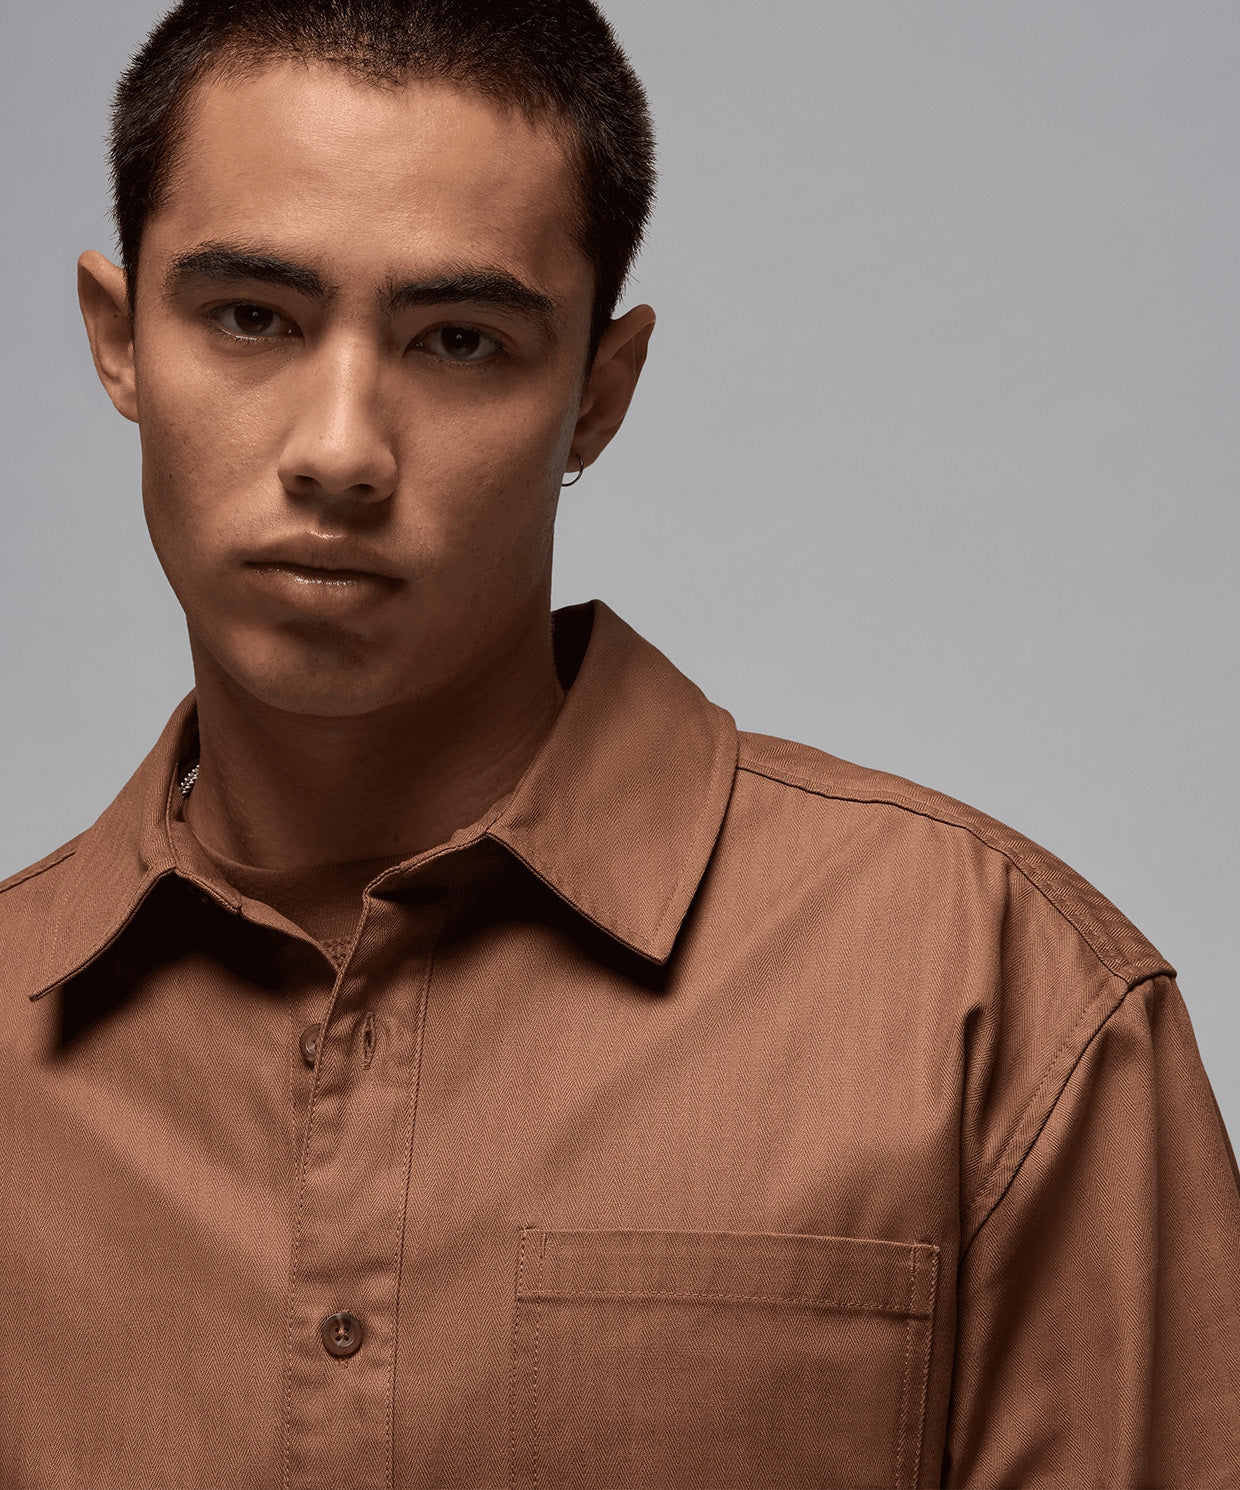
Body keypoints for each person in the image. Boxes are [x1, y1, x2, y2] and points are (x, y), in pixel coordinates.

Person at [2, 0, 1237, 1485]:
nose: (339, 449)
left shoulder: (998, 999)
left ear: (598, 391)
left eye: (460, 341)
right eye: (252, 317)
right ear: (119, 340)